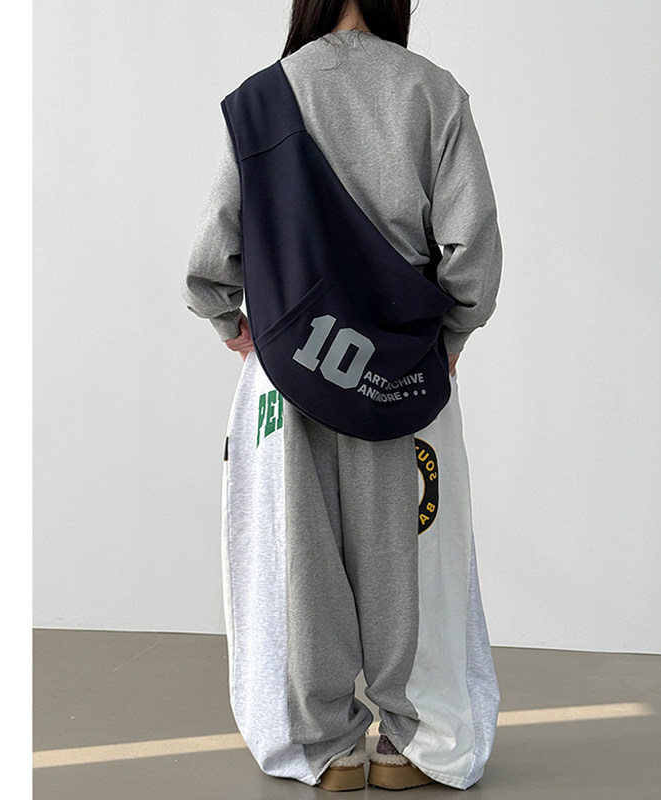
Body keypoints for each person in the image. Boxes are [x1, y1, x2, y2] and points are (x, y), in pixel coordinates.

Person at [182, 0, 503, 792]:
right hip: (406, 373)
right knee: (412, 566)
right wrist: (450, 339)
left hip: (291, 371)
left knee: (299, 566)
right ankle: (416, 747)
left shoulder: (262, 100)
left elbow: (211, 259)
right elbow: (472, 253)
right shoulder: (433, 93)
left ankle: (321, 749)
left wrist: (234, 324)